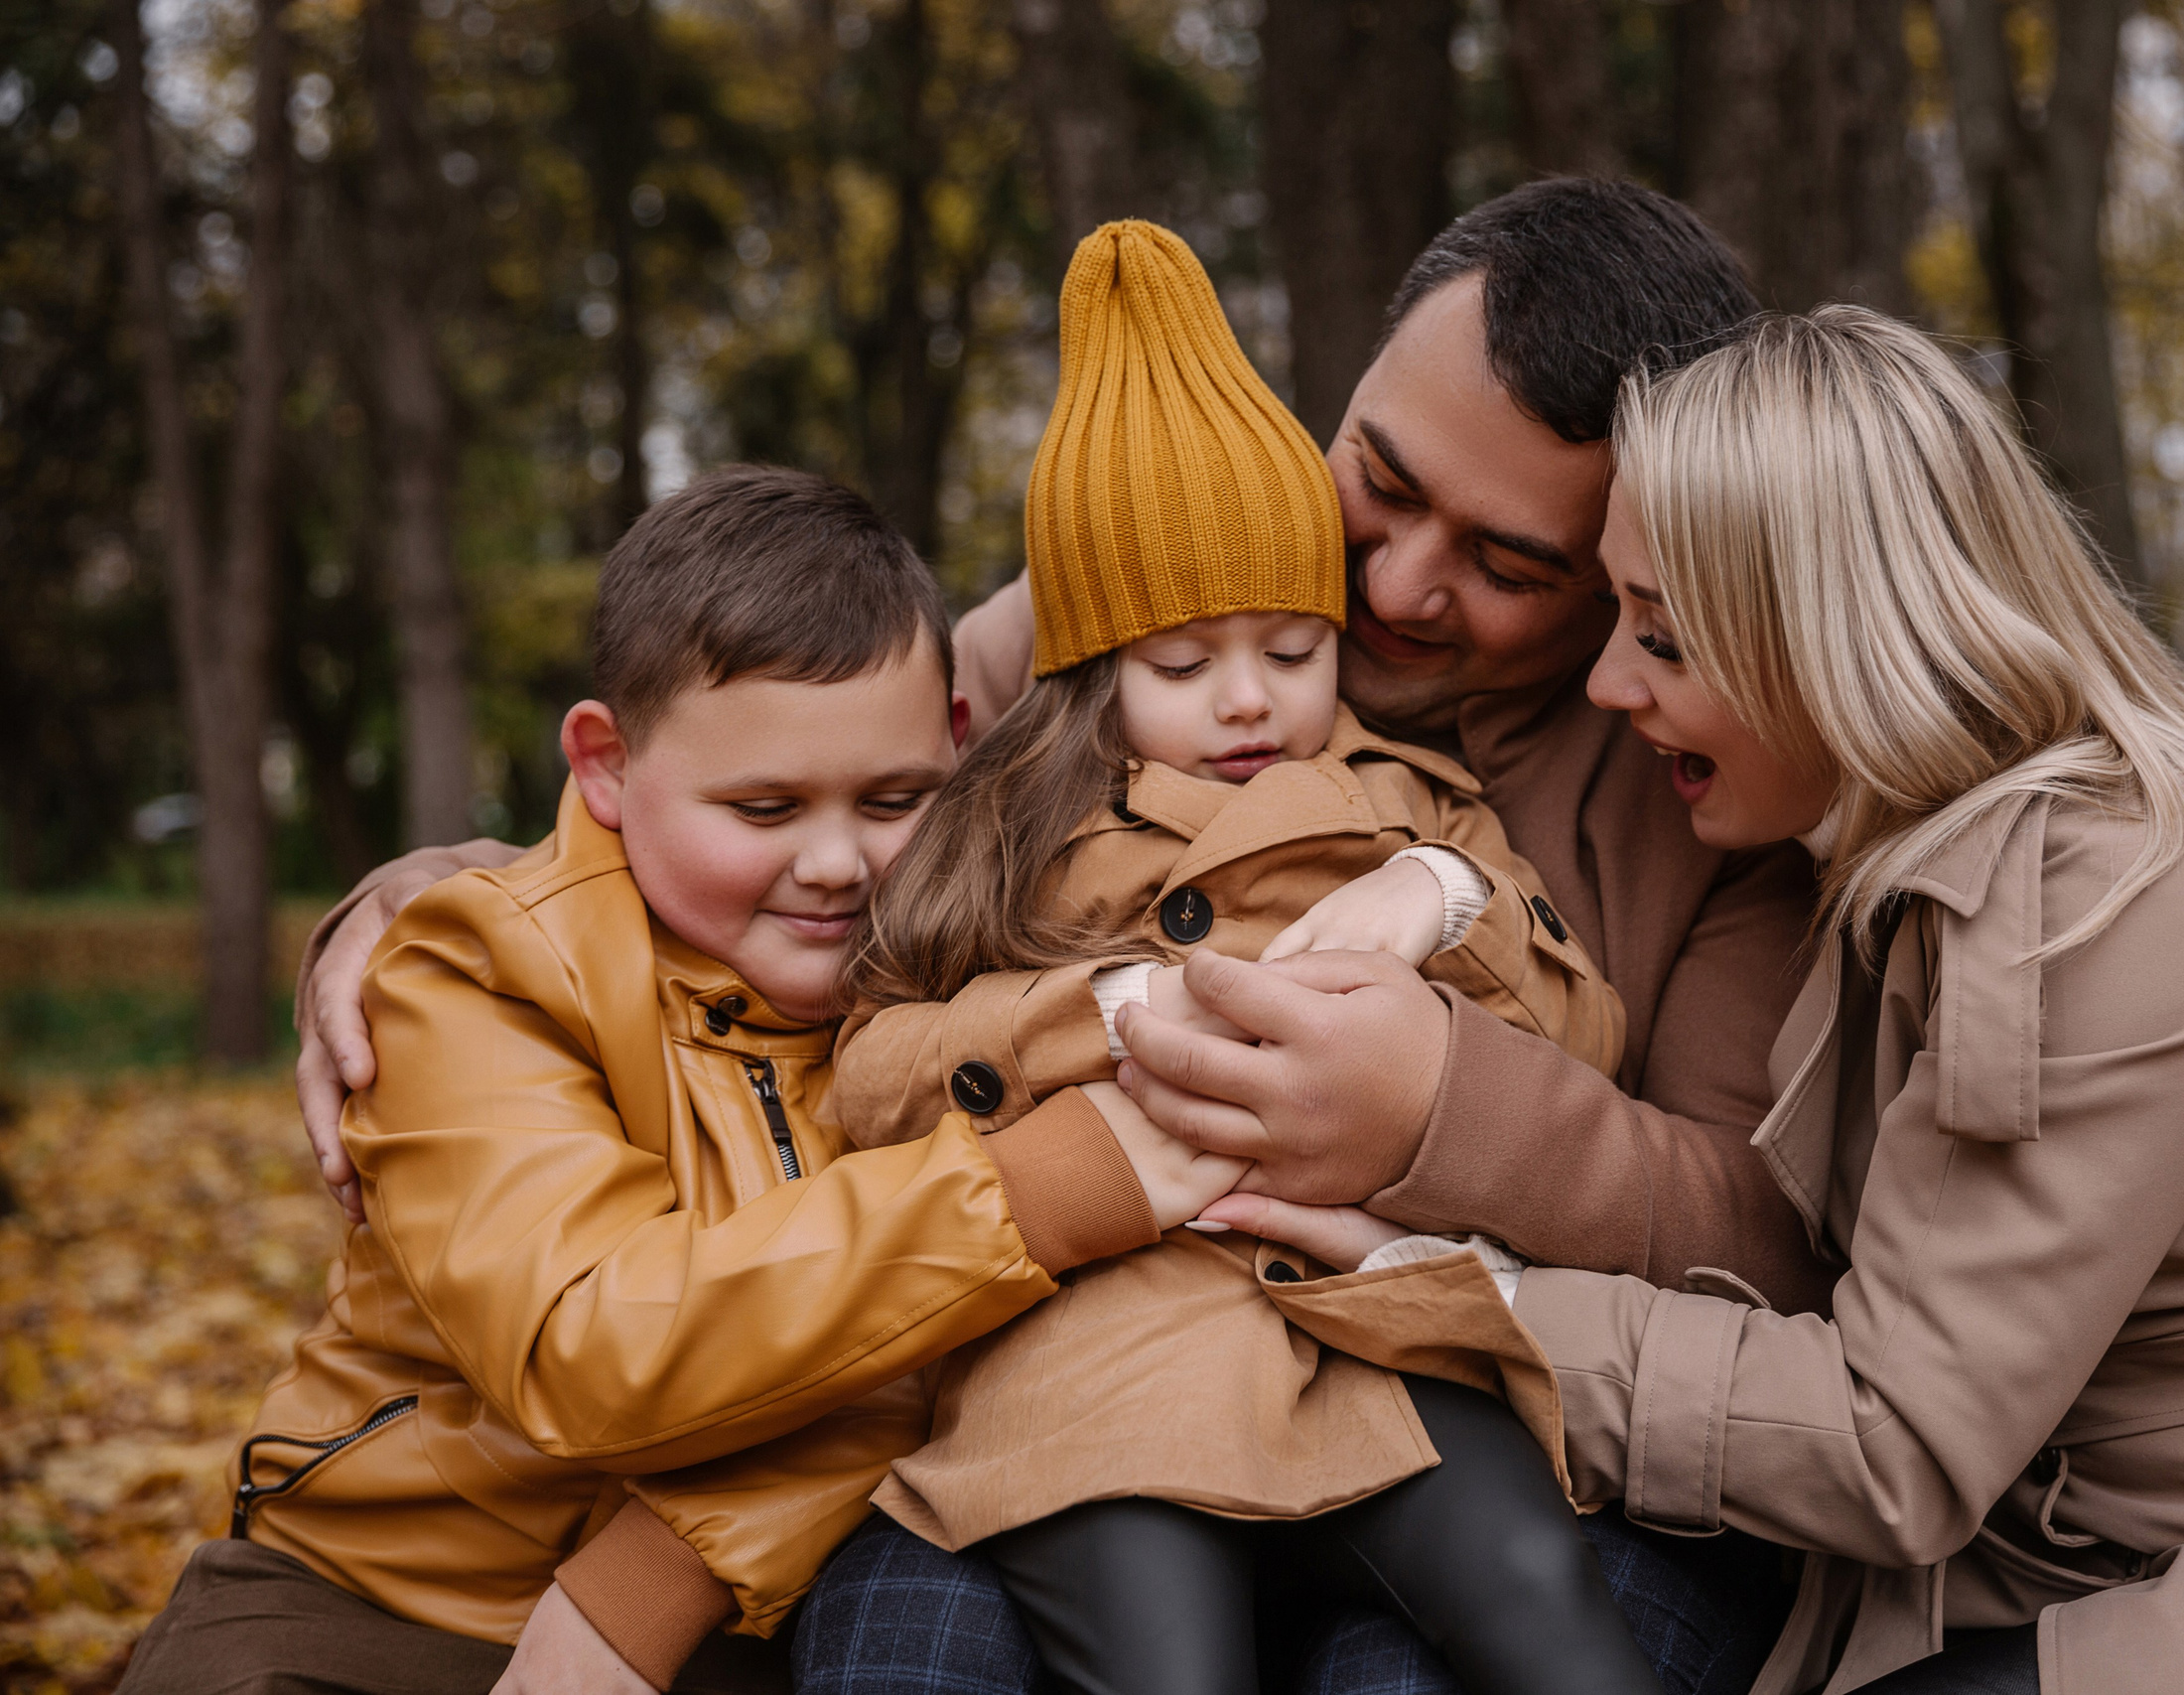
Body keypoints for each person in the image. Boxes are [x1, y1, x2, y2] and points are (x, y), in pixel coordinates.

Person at [294, 181, 1824, 1692]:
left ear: (1636, 555)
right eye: (1380, 478)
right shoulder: (1128, 586)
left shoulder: (1699, 755)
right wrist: (440, 893)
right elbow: (767, 803)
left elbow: (1757, 1226)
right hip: (1079, 1370)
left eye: (1510, 565)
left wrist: (1437, 1102)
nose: (1396, 581)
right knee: (920, 1653)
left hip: (1483, 1395)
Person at [1226, 307, 2184, 1694]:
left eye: (1662, 638)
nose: (1610, 683)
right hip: (2098, 1525)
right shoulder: (1908, 860)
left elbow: (1892, 1443)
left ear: (1832, 641)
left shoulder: (2112, 896)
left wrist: (1456, 1298)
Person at [120, 469, 1241, 1695]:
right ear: (606, 764)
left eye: (894, 798)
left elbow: (947, 1369)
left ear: (958, 745)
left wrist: (659, 1580)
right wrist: (1037, 1192)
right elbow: (591, 1350)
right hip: (385, 1602)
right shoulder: (478, 970)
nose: (835, 862)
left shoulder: (961, 987)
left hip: (747, 1618)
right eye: (762, 808)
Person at [822, 219, 1650, 1695]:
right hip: (1102, 1351)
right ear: (1093, 670)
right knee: (1168, 1656)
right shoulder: (1018, 820)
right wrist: (1100, 1011)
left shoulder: (1409, 802)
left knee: (1541, 1595)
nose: (1250, 700)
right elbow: (870, 1069)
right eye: (1184, 664)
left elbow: (1585, 1027)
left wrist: (1442, 895)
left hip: (1365, 1338)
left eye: (1291, 646)